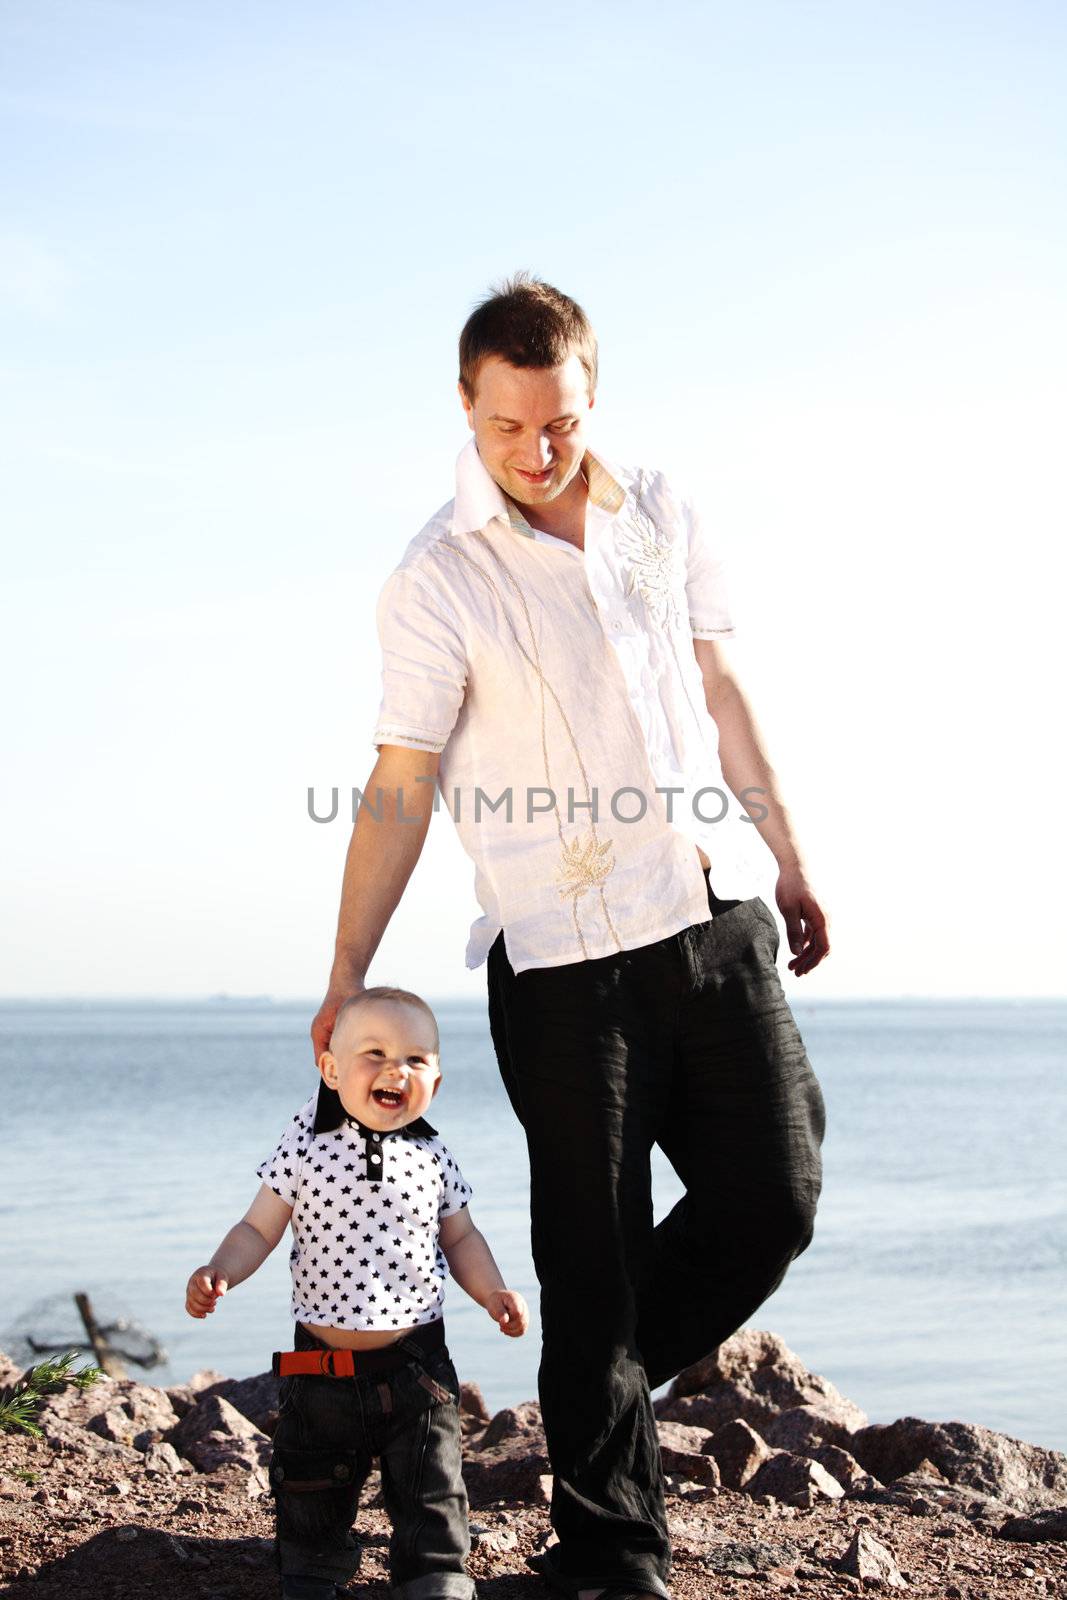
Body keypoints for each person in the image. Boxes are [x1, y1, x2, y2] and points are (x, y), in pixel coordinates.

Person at [311, 274, 830, 1600]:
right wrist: (347, 970)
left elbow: (714, 685)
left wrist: (788, 855)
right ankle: (610, 1553)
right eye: (510, 429)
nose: (538, 452)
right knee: (587, 1261)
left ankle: (582, 1399)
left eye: (560, 424)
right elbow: (401, 777)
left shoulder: (655, 511)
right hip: (557, 960)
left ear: (589, 396)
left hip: (704, 910)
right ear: (468, 410)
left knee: (772, 1196)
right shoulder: (437, 578)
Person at [186, 985, 529, 1600]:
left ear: (437, 1082)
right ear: (331, 1069)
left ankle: (435, 1572)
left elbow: (463, 1237)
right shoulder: (305, 1142)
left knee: (431, 1478)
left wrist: (493, 1291)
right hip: (321, 1365)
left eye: (416, 1059)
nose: (396, 1068)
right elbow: (258, 1226)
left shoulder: (434, 1154)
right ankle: (314, 1569)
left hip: (416, 1364)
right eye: (374, 1052)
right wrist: (220, 1271)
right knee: (311, 1479)